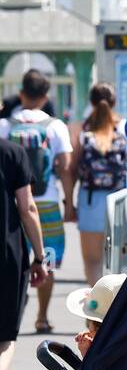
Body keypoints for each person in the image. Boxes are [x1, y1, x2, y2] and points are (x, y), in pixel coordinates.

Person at [0, 70, 72, 334]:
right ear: (45, 96)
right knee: (46, 258)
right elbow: (65, 166)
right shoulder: (55, 126)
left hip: (11, 205)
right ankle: (42, 317)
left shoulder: (5, 125)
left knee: (12, 259)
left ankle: (15, 305)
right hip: (47, 201)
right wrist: (69, 202)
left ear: (21, 93)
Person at [67, 83, 127, 287]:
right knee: (121, 259)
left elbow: (71, 170)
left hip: (90, 201)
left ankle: (96, 313)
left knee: (93, 260)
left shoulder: (81, 129)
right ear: (114, 102)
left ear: (91, 102)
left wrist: (69, 204)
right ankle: (114, 309)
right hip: (122, 201)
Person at [0, 135, 51, 370]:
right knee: (5, 338)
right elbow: (27, 207)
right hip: (7, 256)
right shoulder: (12, 152)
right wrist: (40, 258)